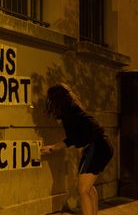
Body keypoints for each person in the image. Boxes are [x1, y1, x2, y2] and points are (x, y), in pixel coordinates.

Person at [41, 83, 113, 215]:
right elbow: (76, 138)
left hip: (95, 147)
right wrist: (53, 148)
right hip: (103, 145)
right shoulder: (74, 110)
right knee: (88, 188)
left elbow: (71, 139)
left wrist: (53, 148)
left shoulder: (69, 115)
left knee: (83, 190)